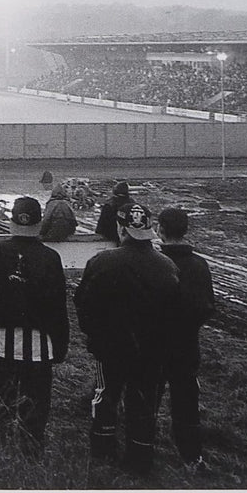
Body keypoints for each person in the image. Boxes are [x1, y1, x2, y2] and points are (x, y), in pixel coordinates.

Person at [74, 200, 179, 473]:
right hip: (152, 350)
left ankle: (102, 449)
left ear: (121, 228)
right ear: (147, 229)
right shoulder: (167, 266)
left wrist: (95, 335)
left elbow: (83, 303)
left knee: (105, 395)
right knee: (143, 401)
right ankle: (140, 456)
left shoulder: (102, 261)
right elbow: (175, 312)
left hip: (110, 347)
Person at [0, 197, 70, 451]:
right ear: (38, 224)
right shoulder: (51, 258)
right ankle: (30, 454)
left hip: (1, 344)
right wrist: (59, 348)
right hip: (38, 350)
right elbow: (59, 310)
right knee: (35, 409)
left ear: (12, 222)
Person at [155, 207, 217, 472]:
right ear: (186, 230)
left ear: (160, 230)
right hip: (186, 345)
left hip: (153, 344)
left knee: (148, 397)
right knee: (187, 404)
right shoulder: (199, 265)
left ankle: (142, 449)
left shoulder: (154, 262)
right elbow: (208, 307)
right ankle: (192, 457)